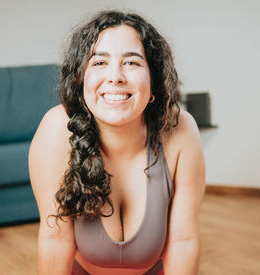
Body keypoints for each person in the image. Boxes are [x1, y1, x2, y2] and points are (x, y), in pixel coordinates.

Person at [29, 10, 205, 275]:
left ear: (153, 78)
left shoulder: (181, 129)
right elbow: (56, 241)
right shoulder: (57, 128)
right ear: (80, 78)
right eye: (99, 63)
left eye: (132, 63)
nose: (116, 77)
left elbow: (183, 241)